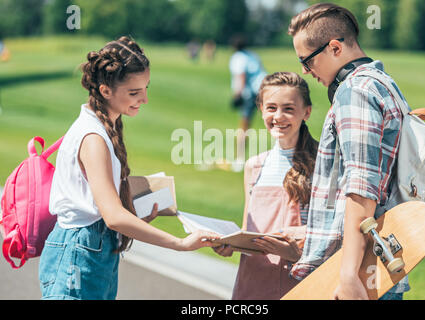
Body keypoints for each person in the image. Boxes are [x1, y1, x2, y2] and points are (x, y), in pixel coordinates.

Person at [38, 36, 219, 300]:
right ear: (105, 90)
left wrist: (133, 216)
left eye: (145, 88)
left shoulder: (100, 127)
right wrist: (179, 244)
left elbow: (106, 211)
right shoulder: (93, 138)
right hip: (79, 251)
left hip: (91, 249)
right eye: (134, 92)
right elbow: (112, 216)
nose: (144, 99)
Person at [287, 3, 410, 300]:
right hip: (378, 262)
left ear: (334, 48)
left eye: (307, 61)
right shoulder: (384, 83)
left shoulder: (354, 91)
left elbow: (361, 186)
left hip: (359, 272)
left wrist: (348, 275)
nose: (305, 71)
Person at [214, 71, 318, 300]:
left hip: (302, 284)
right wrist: (230, 244)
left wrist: (298, 251)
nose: (279, 116)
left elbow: (336, 232)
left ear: (306, 112)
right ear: (260, 109)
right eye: (271, 108)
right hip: (253, 284)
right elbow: (248, 232)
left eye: (288, 109)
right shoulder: (254, 167)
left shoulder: (323, 164)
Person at [228, 34, 267, 172]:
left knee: (243, 126)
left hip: (251, 94)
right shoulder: (252, 55)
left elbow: (241, 77)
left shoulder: (238, 58)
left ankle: (239, 159)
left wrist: (237, 96)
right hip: (265, 89)